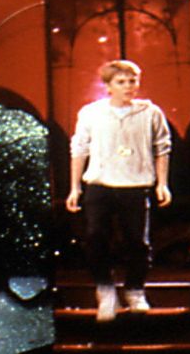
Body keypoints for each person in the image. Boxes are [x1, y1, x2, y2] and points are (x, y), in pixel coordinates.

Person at [66, 60, 172, 322]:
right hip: (100, 186)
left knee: (137, 242)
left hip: (135, 186)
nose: (128, 87)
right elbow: (79, 149)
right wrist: (74, 187)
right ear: (108, 86)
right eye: (121, 82)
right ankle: (105, 290)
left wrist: (162, 183)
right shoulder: (91, 113)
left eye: (132, 81)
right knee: (96, 238)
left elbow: (162, 148)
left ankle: (135, 290)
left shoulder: (150, 113)